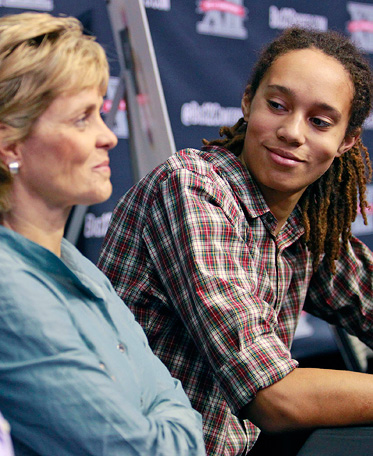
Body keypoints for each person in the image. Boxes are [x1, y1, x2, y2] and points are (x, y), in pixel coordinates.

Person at [98, 26, 373, 455]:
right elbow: (274, 398)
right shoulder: (191, 187)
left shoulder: (304, 224)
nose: (292, 132)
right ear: (248, 102)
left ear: (347, 142)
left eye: (320, 121)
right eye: (277, 105)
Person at [0, 12, 206, 456]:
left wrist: (169, 416)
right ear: (10, 144)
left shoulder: (75, 263)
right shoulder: (7, 288)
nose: (109, 137)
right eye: (81, 119)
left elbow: (171, 400)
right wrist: (169, 418)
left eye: (101, 114)